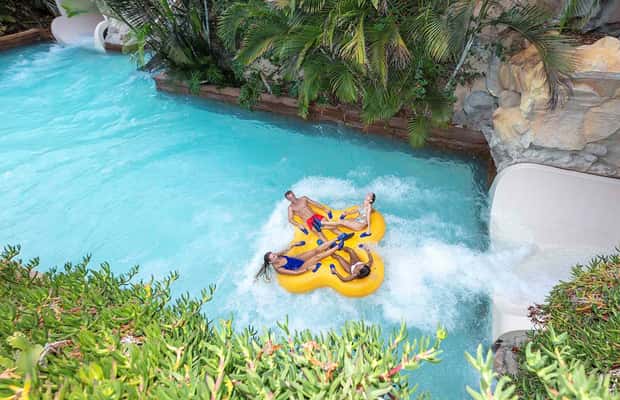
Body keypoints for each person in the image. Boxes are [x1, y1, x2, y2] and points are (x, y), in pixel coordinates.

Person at [256, 238, 345, 281]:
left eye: (274, 254)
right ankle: (338, 247)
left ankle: (337, 238)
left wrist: (294, 245)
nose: (275, 256)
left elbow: (285, 251)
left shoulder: (277, 255)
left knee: (315, 251)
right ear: (271, 262)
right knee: (317, 257)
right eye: (273, 257)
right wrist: (308, 268)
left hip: (296, 259)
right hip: (299, 267)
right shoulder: (279, 269)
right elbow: (295, 273)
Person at [284, 190, 350, 244]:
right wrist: (299, 225)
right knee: (320, 234)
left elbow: (315, 203)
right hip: (309, 221)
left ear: (294, 194)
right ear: (288, 199)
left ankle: (342, 235)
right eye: (290, 198)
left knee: (329, 225)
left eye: (292, 196)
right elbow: (290, 219)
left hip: (316, 216)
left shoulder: (303, 198)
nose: (292, 198)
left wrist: (325, 209)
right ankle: (331, 245)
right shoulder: (291, 207)